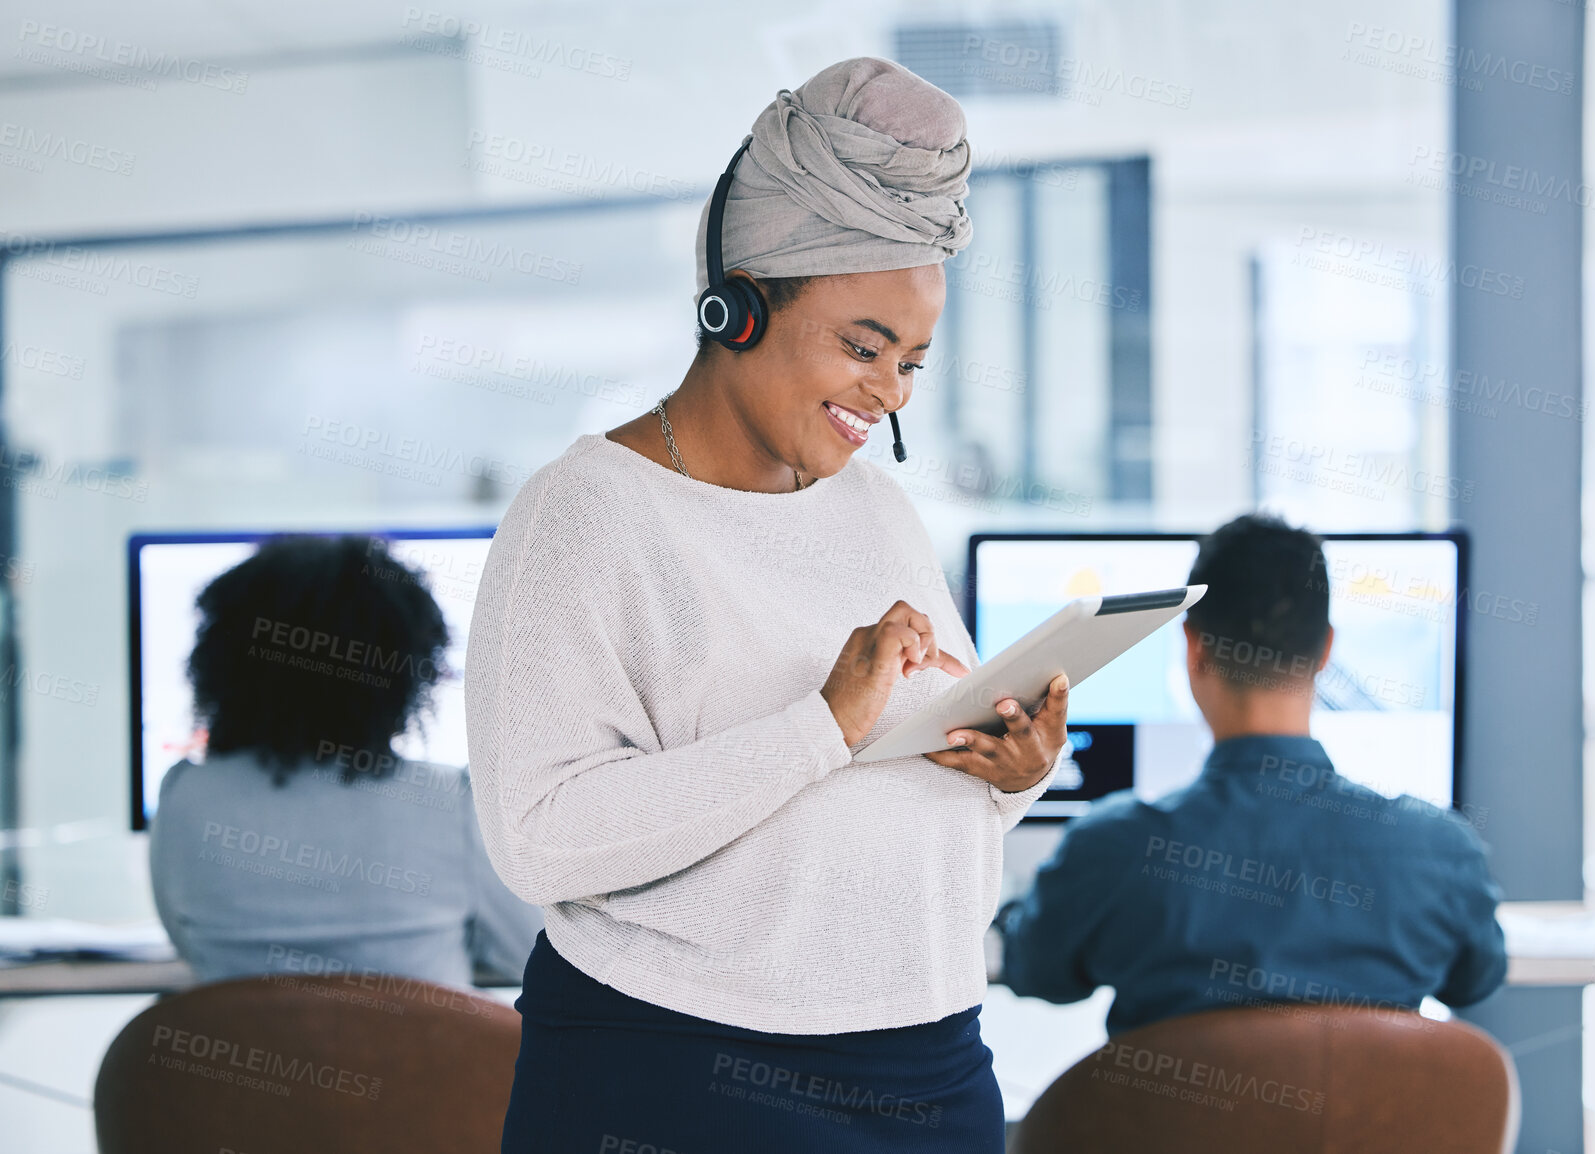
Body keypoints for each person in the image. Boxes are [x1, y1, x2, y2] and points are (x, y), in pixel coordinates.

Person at [465, 57, 1068, 1154]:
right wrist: (819, 725)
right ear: (736, 303)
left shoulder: (874, 508)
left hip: (929, 1062)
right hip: (688, 1071)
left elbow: (916, 793)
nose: (887, 393)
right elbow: (539, 836)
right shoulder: (586, 512)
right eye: (862, 346)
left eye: (913, 364)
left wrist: (1010, 776)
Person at [996, 513, 1506, 1035]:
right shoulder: (1439, 852)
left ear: (1193, 649)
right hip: (1367, 1117)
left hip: (1179, 1119)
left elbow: (1037, 971)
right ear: (1326, 651)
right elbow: (1477, 977)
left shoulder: (1114, 849)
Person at [149, 534, 542, 989]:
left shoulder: (184, 800)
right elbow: (527, 958)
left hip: (238, 1061)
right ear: (407, 672)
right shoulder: (453, 805)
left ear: (220, 664)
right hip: (419, 1059)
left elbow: (187, 944)